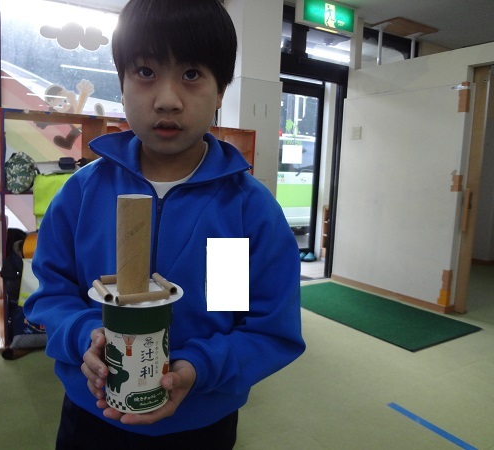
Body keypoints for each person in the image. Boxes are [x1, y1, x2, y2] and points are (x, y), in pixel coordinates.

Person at [24, 0, 305, 448]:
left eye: (192, 74)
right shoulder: (81, 194)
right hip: (92, 416)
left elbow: (266, 329)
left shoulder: (245, 211)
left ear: (221, 90)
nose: (168, 99)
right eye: (145, 72)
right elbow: (51, 294)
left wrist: (199, 368)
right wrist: (82, 336)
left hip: (200, 422)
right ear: (121, 84)